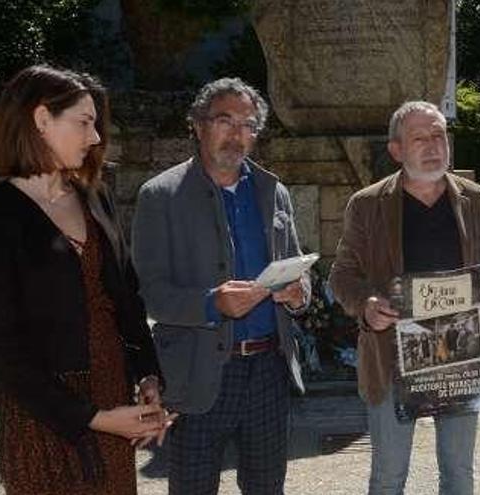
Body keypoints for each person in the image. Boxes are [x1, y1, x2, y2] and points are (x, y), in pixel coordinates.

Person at [0, 65, 169, 495]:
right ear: (41, 120)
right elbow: (1, 352)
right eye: (84, 122)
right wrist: (93, 418)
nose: (95, 137)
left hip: (113, 393)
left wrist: (149, 377)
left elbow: (127, 299)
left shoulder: (95, 196)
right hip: (42, 416)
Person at [131, 77, 309, 494]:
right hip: (197, 373)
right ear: (197, 124)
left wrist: (299, 294)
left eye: (248, 125)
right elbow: (151, 294)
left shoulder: (272, 190)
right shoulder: (160, 196)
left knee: (267, 488)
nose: (237, 134)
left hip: (269, 370)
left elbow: (297, 268)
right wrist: (212, 304)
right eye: (225, 120)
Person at [329, 101, 480, 495]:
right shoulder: (366, 204)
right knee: (389, 477)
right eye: (419, 138)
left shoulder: (478, 199)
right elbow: (342, 276)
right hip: (392, 357)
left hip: (460, 357)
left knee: (459, 474)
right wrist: (366, 306)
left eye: (439, 136)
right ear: (396, 150)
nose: (433, 146)